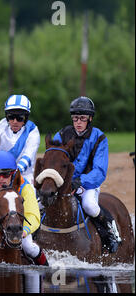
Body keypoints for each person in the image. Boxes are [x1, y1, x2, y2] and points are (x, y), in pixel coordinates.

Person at [53, 96, 121, 253]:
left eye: (82, 118)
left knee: (89, 206)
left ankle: (111, 233)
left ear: (90, 118)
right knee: (41, 202)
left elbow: (100, 171)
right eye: (75, 118)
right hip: (62, 184)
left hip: (87, 184)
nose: (78, 122)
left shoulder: (99, 137)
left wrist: (79, 181)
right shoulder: (61, 134)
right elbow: (54, 160)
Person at [0, 151, 48, 265]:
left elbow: (33, 216)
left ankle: (46, 269)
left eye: (6, 174)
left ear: (13, 173)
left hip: (18, 226)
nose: (1, 179)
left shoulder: (25, 187)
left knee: (30, 248)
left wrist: (25, 231)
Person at [0, 95, 40, 184]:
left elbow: (28, 157)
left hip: (24, 176)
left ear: (26, 118)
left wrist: (12, 174)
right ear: (7, 117)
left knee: (31, 196)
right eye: (11, 117)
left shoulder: (32, 131)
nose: (15, 121)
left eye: (19, 118)